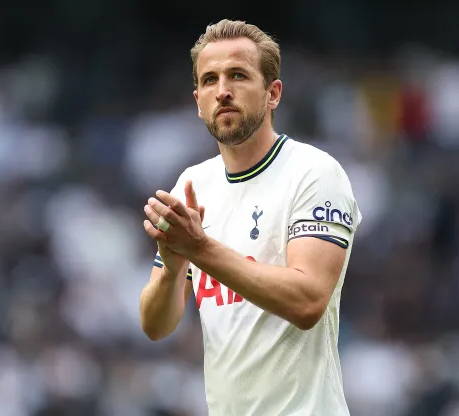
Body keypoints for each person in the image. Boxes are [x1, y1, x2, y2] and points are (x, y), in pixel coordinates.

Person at [139, 19, 361, 416]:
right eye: (209, 80)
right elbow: (156, 326)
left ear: (273, 93)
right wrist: (173, 269)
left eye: (238, 75)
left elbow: (308, 301)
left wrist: (199, 248)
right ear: (197, 100)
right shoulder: (192, 184)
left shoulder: (313, 173)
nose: (222, 90)